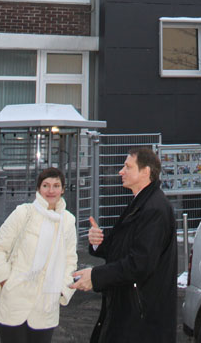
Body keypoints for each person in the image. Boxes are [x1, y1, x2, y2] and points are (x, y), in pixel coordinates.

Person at [70, 147, 177, 343]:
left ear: (145, 172)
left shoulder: (154, 209)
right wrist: (98, 242)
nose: (121, 171)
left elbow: (140, 263)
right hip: (131, 310)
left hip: (142, 319)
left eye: (127, 167)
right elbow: (123, 247)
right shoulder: (141, 203)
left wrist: (95, 276)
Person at [0, 167, 77, 343]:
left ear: (63, 189)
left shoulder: (68, 221)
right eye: (46, 185)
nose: (51, 190)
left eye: (56, 185)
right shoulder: (23, 213)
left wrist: (61, 291)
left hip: (45, 306)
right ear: (38, 189)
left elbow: (70, 260)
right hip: (13, 301)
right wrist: (3, 282)